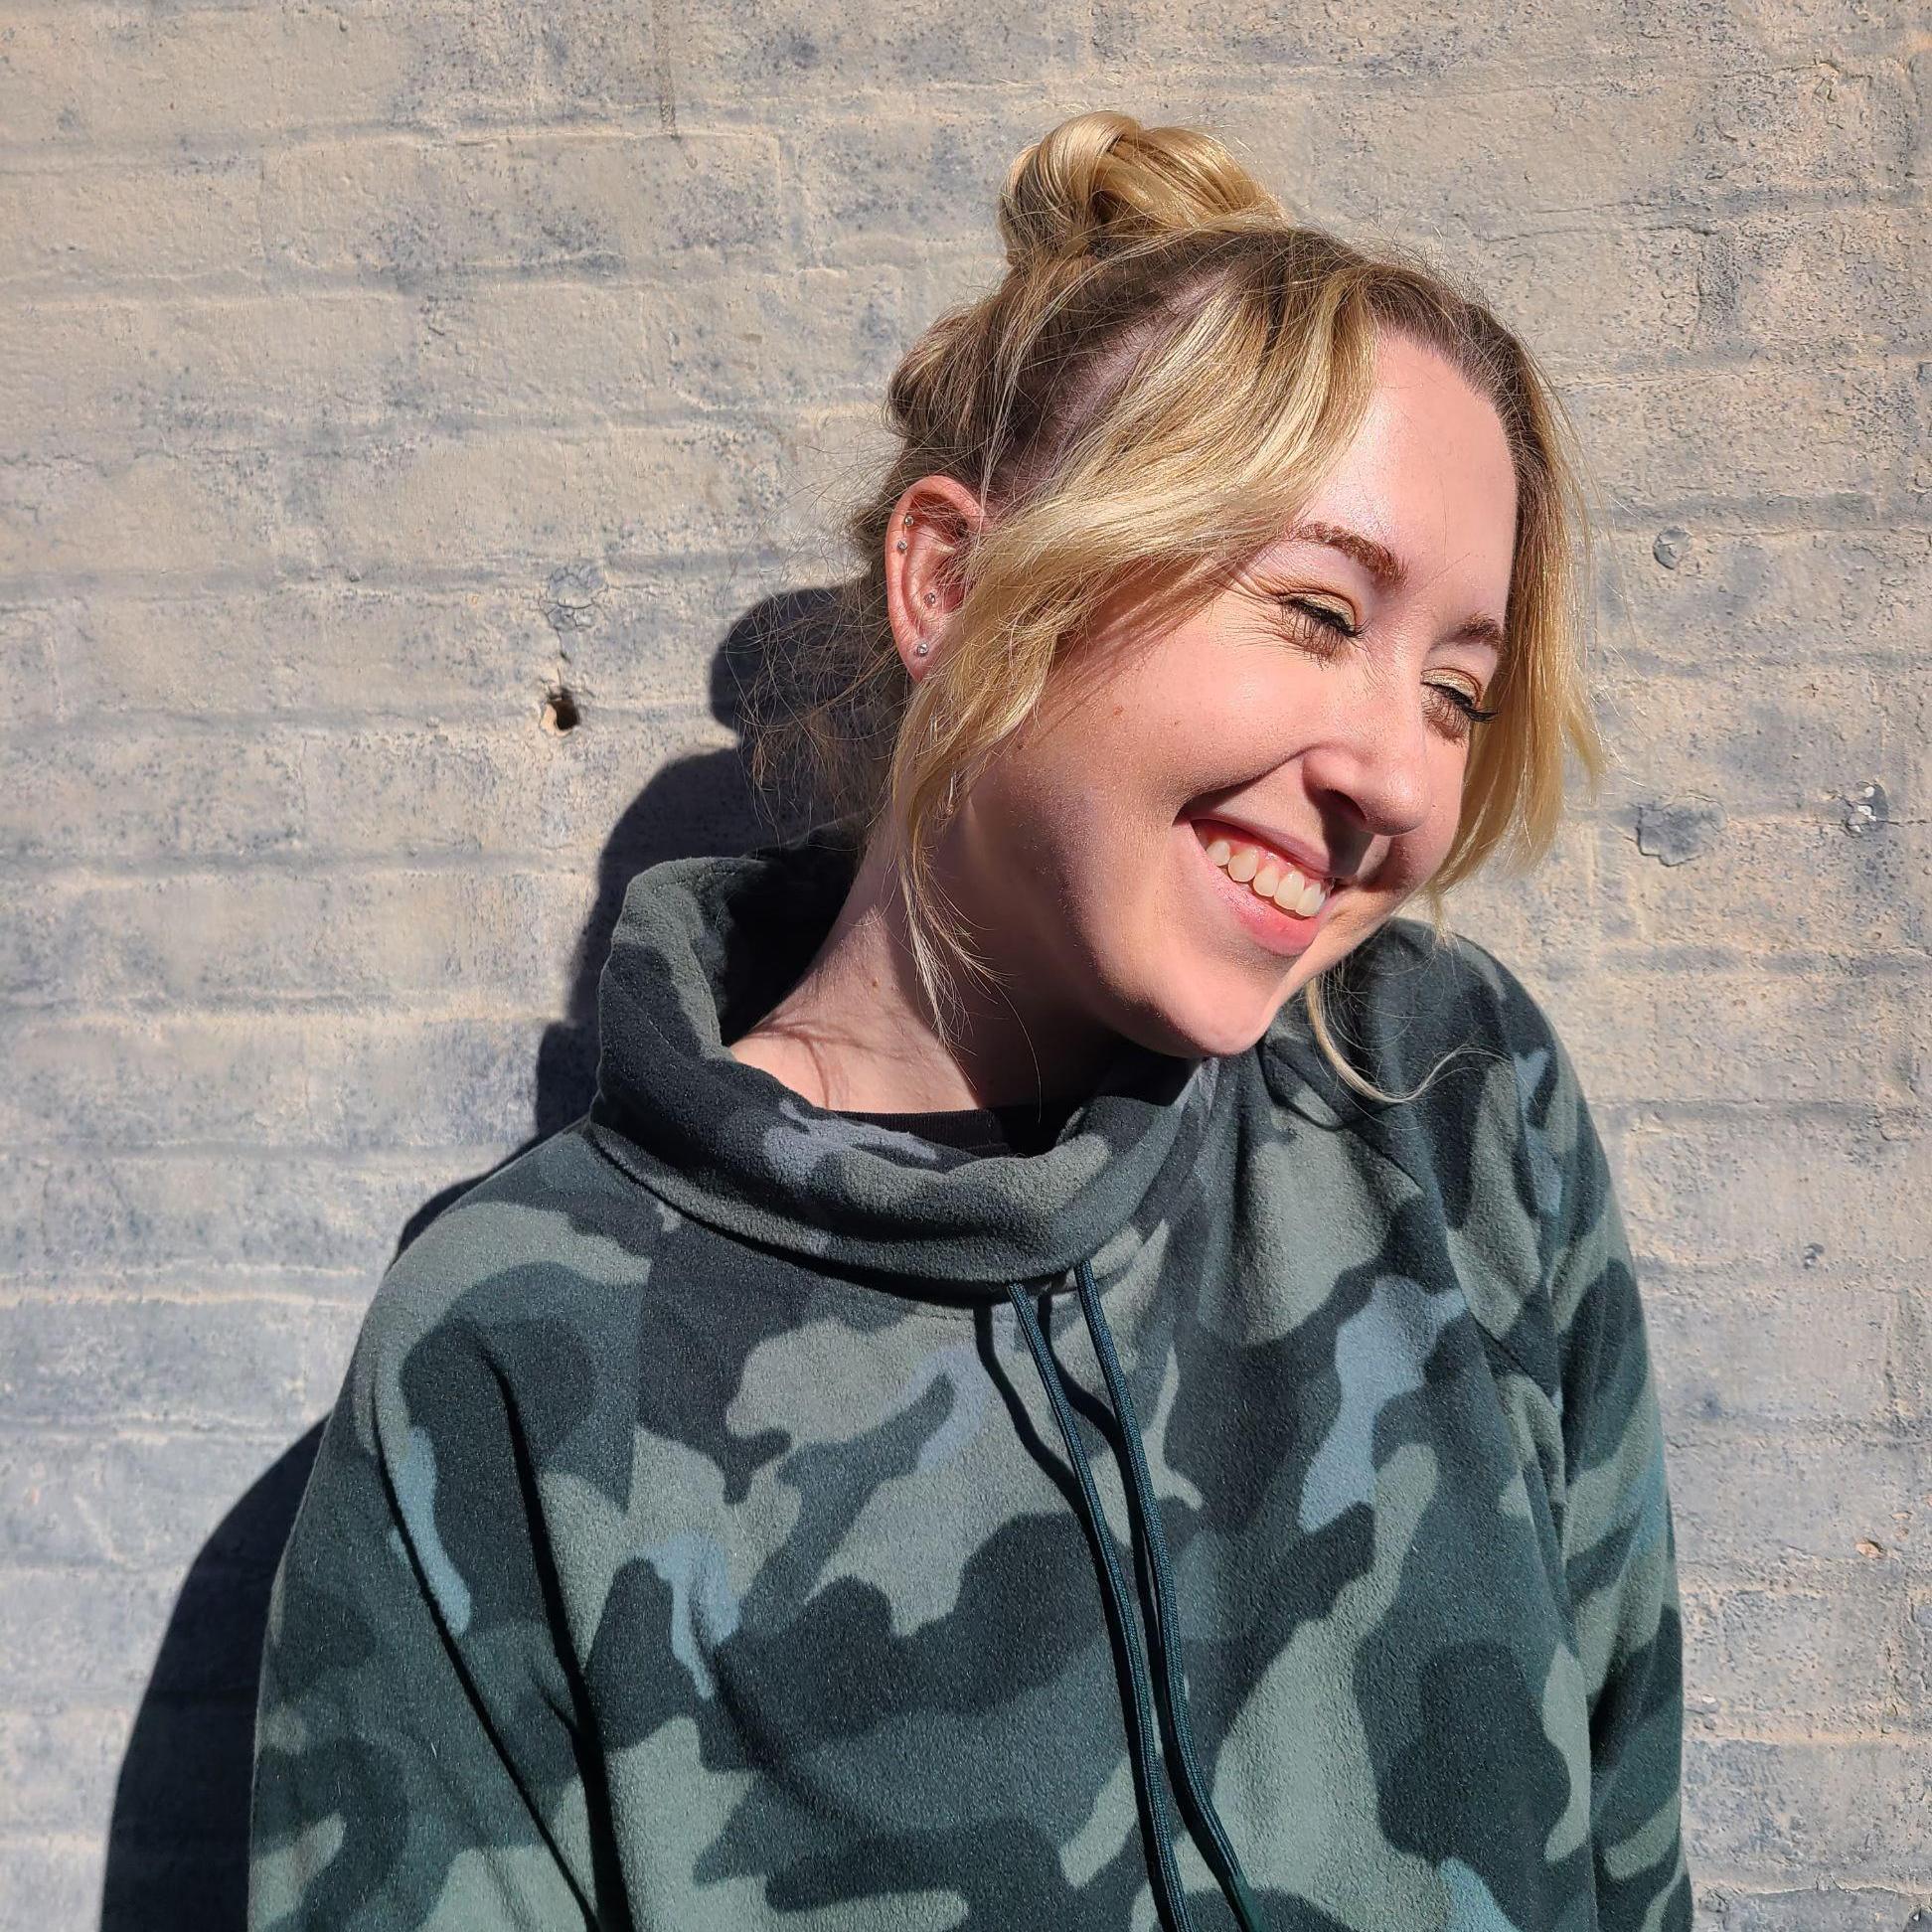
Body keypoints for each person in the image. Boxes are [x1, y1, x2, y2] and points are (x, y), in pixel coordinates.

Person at [247, 110, 1693, 1932]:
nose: (1402, 781)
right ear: (954, 582)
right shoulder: (518, 1350)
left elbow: (1632, 1857)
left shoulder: (1445, 1103)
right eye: (1318, 612)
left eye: (1459, 694)